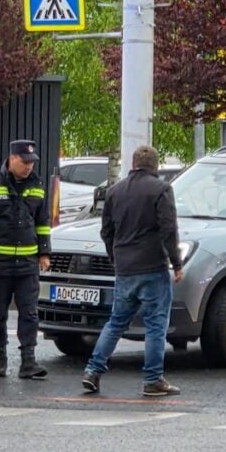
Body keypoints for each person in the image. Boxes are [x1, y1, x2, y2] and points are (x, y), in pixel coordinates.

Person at [81, 145, 184, 397]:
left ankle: (93, 371)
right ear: (155, 166)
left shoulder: (115, 191)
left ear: (133, 164)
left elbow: (107, 231)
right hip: (153, 267)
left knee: (116, 322)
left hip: (125, 268)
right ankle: (152, 380)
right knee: (156, 325)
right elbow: (168, 230)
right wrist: (176, 262)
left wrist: (116, 258)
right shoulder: (162, 189)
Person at [0, 139, 52, 379]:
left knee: (29, 313)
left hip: (27, 263)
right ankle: (0, 359)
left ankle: (29, 361)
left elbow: (42, 222)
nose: (29, 167)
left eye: (32, 163)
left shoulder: (36, 185)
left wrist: (44, 252)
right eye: (25, 162)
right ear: (12, 158)